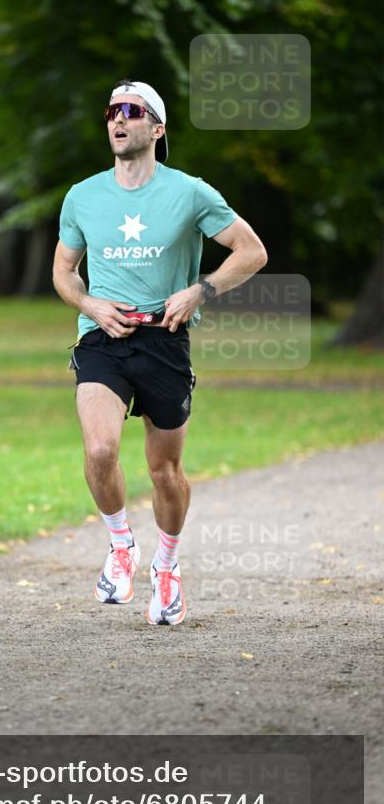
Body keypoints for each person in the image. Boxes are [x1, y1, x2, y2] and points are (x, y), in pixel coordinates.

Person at [52, 79, 267, 626]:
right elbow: (63, 272)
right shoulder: (83, 196)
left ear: (157, 127)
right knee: (100, 450)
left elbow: (253, 251)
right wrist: (91, 305)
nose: (118, 120)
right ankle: (121, 545)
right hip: (103, 337)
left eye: (132, 111)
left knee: (164, 470)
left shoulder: (191, 193)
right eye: (111, 112)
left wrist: (201, 290)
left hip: (165, 341)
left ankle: (167, 567)